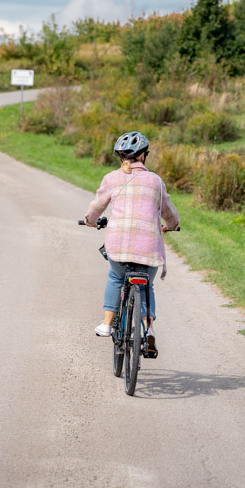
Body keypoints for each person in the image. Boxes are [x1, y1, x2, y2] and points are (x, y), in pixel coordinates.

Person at [83, 130, 179, 355]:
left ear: (121, 157)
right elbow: (169, 212)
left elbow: (96, 207)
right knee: (147, 286)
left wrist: (90, 221)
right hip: (149, 248)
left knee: (116, 277)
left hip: (119, 247)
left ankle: (107, 324)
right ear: (144, 156)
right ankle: (149, 330)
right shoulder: (155, 181)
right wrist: (172, 225)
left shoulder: (112, 178)